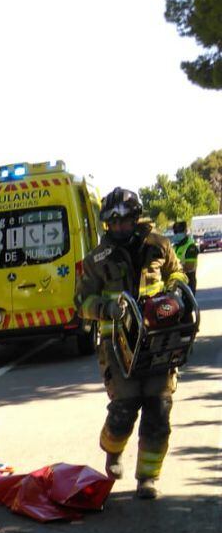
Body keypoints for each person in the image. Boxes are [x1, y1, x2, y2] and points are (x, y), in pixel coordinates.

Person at [75, 187, 187, 499]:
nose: (121, 227)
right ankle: (112, 449)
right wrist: (104, 308)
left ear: (136, 217)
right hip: (118, 344)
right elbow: (81, 301)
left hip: (157, 340)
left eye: (126, 220)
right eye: (114, 222)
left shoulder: (159, 246)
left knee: (158, 408)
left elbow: (177, 273)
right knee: (124, 410)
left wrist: (176, 291)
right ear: (106, 224)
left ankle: (147, 479)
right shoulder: (97, 260)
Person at [170, 219, 198, 293]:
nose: (177, 234)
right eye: (175, 232)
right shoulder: (175, 246)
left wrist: (173, 268)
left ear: (185, 231)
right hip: (174, 280)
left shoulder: (191, 246)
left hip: (187, 280)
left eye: (180, 231)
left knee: (187, 304)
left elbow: (190, 266)